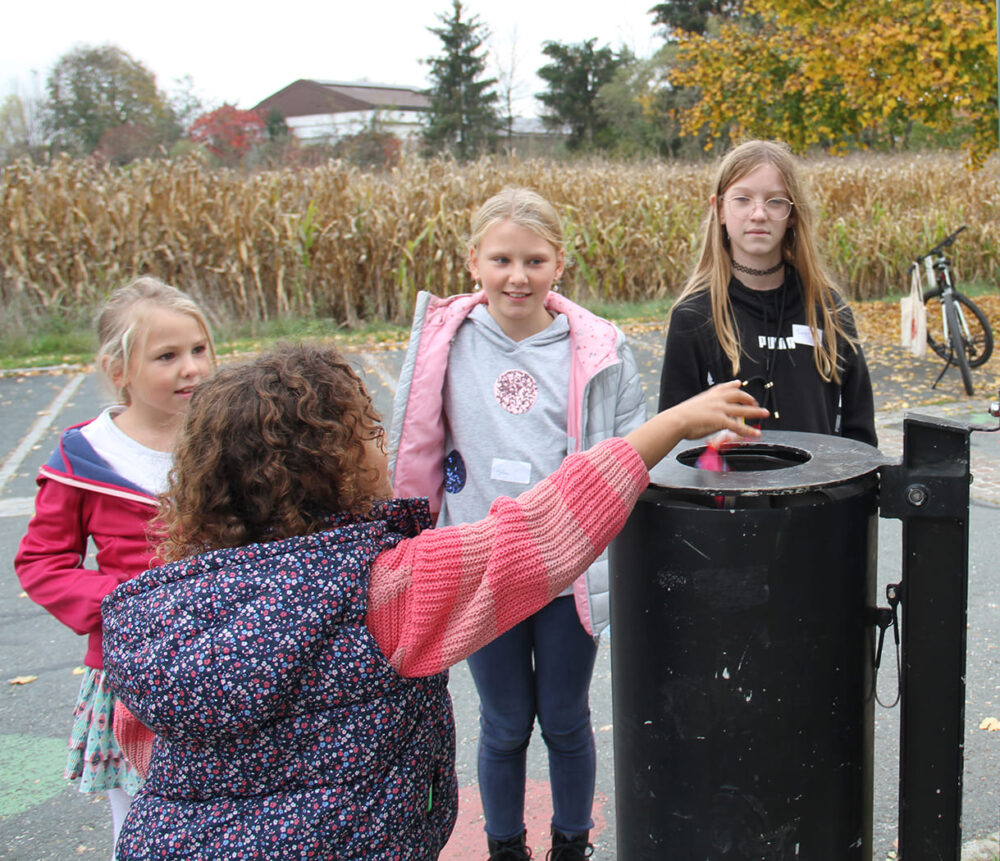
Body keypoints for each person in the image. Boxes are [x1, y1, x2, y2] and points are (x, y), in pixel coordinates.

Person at [99, 342, 767, 860]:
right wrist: (669, 427)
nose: (379, 446)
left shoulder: (164, 607)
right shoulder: (382, 588)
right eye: (365, 434)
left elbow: (141, 739)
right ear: (330, 466)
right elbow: (541, 530)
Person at [387, 187, 646, 861]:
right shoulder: (447, 343)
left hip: (566, 571)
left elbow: (629, 449)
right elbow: (412, 442)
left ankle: (571, 843)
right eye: (501, 258)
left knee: (565, 718)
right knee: (503, 724)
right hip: (481, 567)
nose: (518, 275)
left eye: (534, 259)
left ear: (558, 261)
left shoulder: (599, 350)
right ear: (474, 260)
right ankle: (505, 846)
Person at [14, 277, 216, 858]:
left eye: (199, 349)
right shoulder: (85, 457)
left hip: (232, 656)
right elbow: (43, 564)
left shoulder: (230, 435)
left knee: (235, 811)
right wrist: (129, 604)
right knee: (144, 820)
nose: (192, 369)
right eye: (167, 356)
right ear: (117, 368)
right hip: (138, 670)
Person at [658, 139, 877, 447]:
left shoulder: (828, 310)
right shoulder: (694, 316)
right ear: (719, 209)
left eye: (775, 202)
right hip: (732, 491)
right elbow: (670, 438)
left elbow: (861, 433)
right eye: (743, 199)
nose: (759, 214)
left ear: (792, 215)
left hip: (821, 492)